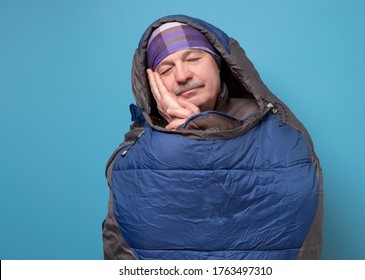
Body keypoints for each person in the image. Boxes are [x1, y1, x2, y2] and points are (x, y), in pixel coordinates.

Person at [102, 15, 323, 260]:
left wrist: (198, 128)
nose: (182, 75)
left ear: (219, 63)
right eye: (166, 69)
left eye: (194, 59)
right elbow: (127, 237)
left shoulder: (279, 128)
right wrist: (179, 141)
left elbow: (294, 201)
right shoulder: (136, 147)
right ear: (152, 85)